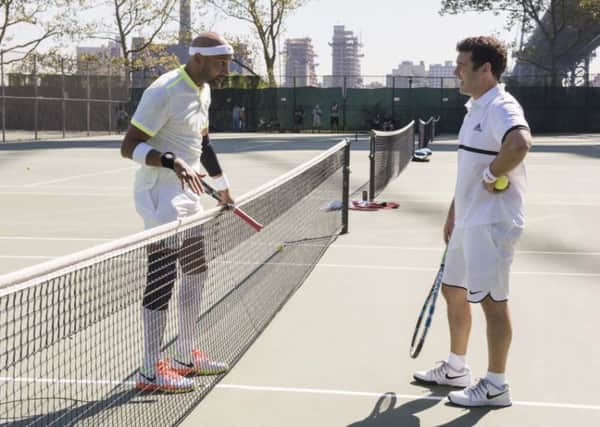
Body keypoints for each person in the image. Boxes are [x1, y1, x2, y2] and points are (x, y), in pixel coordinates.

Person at [413, 36, 532, 408]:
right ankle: (456, 368)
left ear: (486, 69)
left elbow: (520, 144)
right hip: (468, 221)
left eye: (463, 65)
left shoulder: (501, 106)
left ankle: (496, 385)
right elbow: (470, 168)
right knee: (454, 290)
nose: (456, 71)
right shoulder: (475, 107)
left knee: (493, 304)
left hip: (492, 223)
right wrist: (454, 212)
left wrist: (492, 174)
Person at [121, 32, 234, 393]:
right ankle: (149, 370)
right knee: (162, 274)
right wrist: (171, 162)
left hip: (190, 189)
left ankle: (185, 355)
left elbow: (204, 142)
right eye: (220, 63)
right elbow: (129, 147)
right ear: (198, 58)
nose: (225, 70)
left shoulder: (204, 89)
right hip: (160, 193)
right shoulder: (163, 91)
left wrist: (224, 185)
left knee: (197, 269)